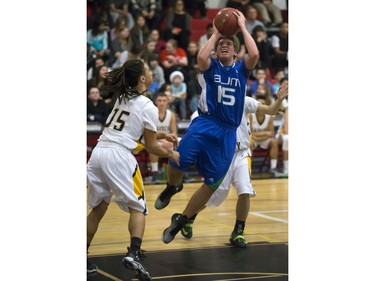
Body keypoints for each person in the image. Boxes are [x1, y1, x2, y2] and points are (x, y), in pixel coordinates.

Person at [153, 9, 257, 244]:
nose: (224, 45)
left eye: (229, 44)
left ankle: (182, 220)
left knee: (211, 184)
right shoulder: (211, 68)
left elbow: (255, 53)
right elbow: (201, 58)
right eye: (221, 44)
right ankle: (172, 186)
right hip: (206, 123)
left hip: (227, 133)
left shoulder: (241, 70)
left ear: (235, 50)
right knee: (176, 158)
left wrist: (241, 27)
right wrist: (217, 33)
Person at [86, 59, 180, 279]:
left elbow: (129, 130)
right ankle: (134, 254)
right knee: (138, 208)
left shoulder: (122, 98)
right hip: (119, 157)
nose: (150, 71)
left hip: (99, 153)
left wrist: (162, 134)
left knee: (98, 208)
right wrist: (170, 153)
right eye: (148, 69)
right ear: (142, 78)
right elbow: (150, 146)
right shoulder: (148, 106)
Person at [179, 88, 288, 247]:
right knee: (216, 196)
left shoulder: (245, 101)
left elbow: (271, 110)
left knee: (245, 190)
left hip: (242, 153)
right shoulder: (213, 106)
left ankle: (238, 231)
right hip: (223, 155)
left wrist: (278, 100)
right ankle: (189, 216)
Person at [149, 92, 178, 183]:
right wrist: (163, 140)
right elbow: (149, 133)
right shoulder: (151, 113)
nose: (162, 103)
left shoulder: (171, 114)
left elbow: (174, 132)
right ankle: (155, 173)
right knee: (153, 145)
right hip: (155, 139)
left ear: (167, 102)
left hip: (167, 140)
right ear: (156, 102)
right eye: (160, 100)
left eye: (164, 101)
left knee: (180, 144)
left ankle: (181, 172)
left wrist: (170, 141)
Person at [249, 95, 281, 177]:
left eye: (263, 104)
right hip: (254, 139)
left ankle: (273, 168)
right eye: (259, 103)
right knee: (250, 143)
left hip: (262, 139)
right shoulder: (251, 116)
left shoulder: (269, 117)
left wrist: (258, 135)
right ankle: (249, 169)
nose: (261, 105)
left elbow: (272, 133)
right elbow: (249, 133)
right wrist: (265, 133)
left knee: (274, 142)